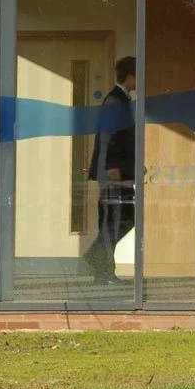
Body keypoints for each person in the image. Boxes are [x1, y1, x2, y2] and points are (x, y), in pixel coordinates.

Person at [84, 55, 137, 282]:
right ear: (130, 76)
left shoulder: (121, 100)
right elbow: (109, 137)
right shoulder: (115, 101)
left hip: (119, 171)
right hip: (113, 173)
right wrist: (112, 166)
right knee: (112, 220)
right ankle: (104, 269)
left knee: (125, 217)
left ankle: (98, 259)